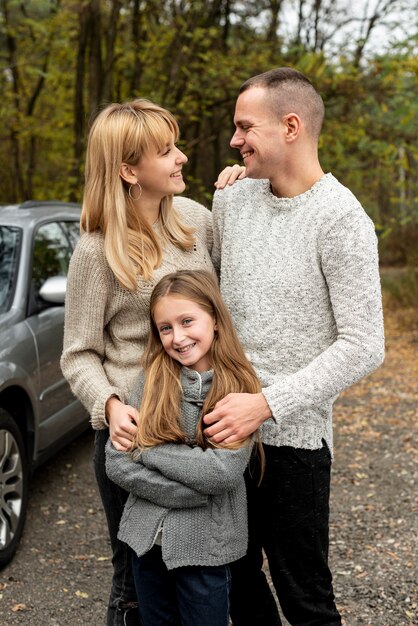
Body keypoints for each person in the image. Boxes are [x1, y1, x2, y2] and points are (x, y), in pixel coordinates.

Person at [204, 67, 385, 625]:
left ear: (290, 126)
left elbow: (364, 344)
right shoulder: (232, 203)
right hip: (223, 436)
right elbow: (206, 305)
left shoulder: (342, 219)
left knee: (305, 598)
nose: (234, 141)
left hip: (295, 446)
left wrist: (267, 403)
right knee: (230, 575)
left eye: (243, 127)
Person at [60, 99, 236, 625]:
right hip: (132, 435)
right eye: (166, 151)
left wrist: (241, 191)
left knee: (209, 565)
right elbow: (79, 353)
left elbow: (224, 311)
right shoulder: (96, 250)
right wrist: (108, 404)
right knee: (135, 573)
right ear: (129, 170)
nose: (181, 157)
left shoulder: (198, 221)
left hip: (203, 424)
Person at [105, 269, 260, 626]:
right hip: (146, 543)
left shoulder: (240, 389)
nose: (177, 337)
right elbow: (116, 462)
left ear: (216, 320)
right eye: (165, 328)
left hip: (205, 549)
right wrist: (190, 493)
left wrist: (146, 449)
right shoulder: (150, 379)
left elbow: (220, 473)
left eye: (187, 320)